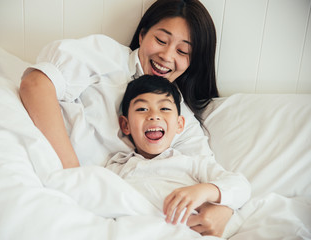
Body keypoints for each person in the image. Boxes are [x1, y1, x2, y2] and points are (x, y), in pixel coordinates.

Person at [19, 0, 233, 236]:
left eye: (183, 51)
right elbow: (36, 84)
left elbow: (212, 177)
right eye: (161, 40)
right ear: (142, 35)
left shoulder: (181, 119)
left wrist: (227, 210)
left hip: (116, 214)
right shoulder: (105, 56)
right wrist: (75, 174)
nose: (166, 56)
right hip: (60, 183)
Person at [106, 75, 250, 235]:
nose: (154, 115)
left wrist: (203, 191)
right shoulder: (116, 169)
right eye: (142, 109)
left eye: (165, 109)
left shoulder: (193, 163)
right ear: (125, 125)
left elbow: (241, 186)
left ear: (179, 124)